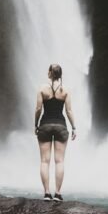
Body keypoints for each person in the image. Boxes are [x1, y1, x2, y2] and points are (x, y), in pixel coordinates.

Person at [34, 63, 77, 201]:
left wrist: (36, 124)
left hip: (45, 125)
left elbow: (38, 109)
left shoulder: (42, 89)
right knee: (59, 161)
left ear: (49, 73)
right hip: (60, 126)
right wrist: (74, 127)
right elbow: (69, 111)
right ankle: (58, 193)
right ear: (60, 74)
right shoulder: (66, 90)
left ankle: (47, 193)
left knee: (45, 161)